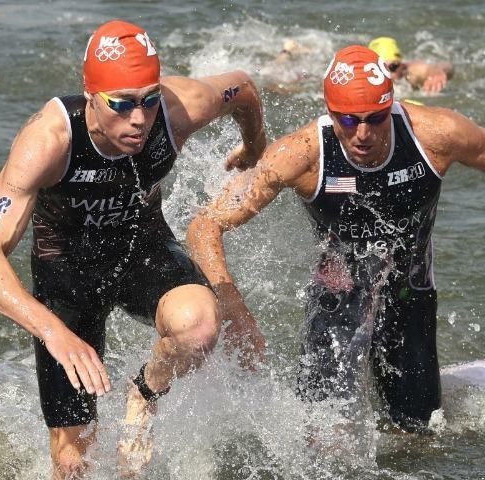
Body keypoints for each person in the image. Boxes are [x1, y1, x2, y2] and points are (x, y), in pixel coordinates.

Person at [0, 19, 266, 478]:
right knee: (73, 465)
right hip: (65, 269)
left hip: (140, 247)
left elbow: (242, 89)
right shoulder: (48, 141)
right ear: (91, 96)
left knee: (199, 327)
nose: (139, 118)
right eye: (121, 104)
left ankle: (145, 392)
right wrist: (53, 332)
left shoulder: (180, 108)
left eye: (148, 99)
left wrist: (254, 144)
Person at [187, 45, 485, 434]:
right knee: (323, 441)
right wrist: (233, 307)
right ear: (329, 111)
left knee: (418, 436)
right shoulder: (299, 155)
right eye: (348, 119)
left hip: (409, 298)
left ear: (391, 105)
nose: (363, 134)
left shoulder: (436, 134)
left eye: (376, 119)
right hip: (336, 300)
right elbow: (204, 226)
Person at [369, 37, 454, 94]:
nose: (389, 74)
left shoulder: (412, 73)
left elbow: (447, 65)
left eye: (393, 67)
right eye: (381, 69)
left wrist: (437, 71)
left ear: (402, 65)